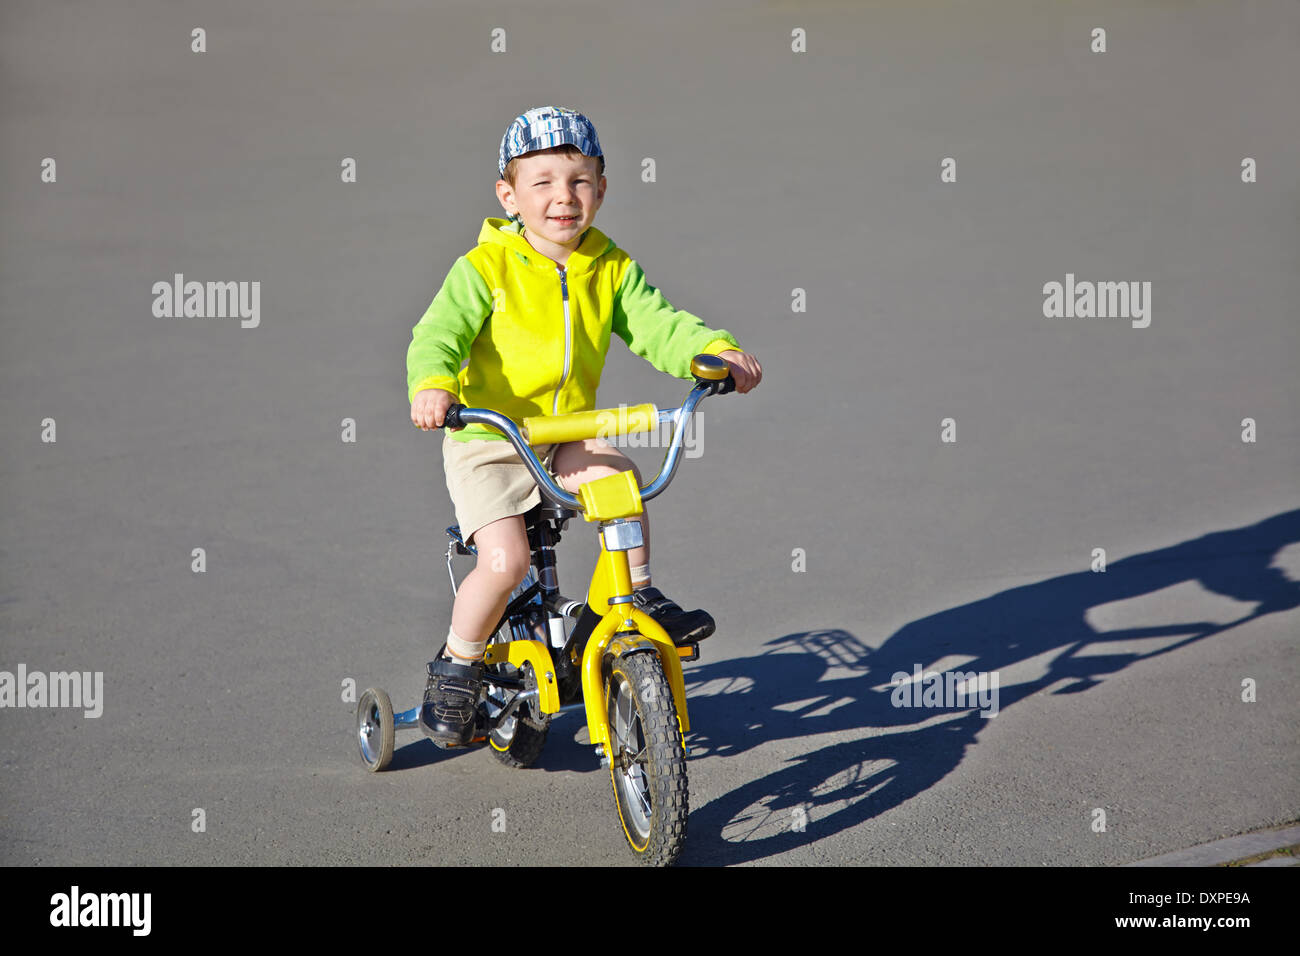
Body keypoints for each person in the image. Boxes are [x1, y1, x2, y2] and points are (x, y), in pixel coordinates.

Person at [407, 106, 762, 748]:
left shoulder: (610, 267)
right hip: (489, 439)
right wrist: (432, 385)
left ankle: (638, 595)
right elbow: (439, 334)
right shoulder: (485, 269)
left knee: (618, 476)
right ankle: (456, 666)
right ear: (508, 196)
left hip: (565, 430)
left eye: (578, 180)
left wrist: (712, 349)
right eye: (541, 182)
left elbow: (659, 324)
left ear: (601, 189)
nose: (562, 198)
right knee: (505, 559)